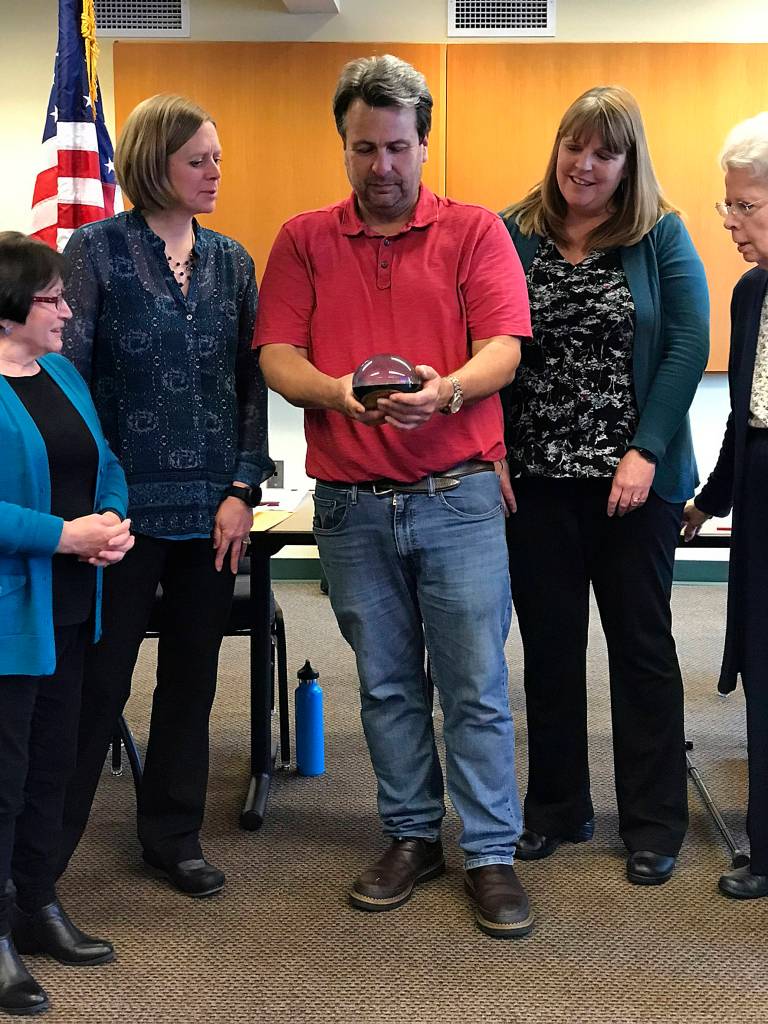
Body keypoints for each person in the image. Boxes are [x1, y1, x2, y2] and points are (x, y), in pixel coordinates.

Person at [255, 55, 533, 939]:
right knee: (385, 684)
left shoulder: (476, 231)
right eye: (364, 147)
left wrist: (446, 388)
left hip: (456, 497)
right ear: (343, 143)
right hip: (351, 505)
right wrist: (337, 394)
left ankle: (491, 851)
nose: (382, 166)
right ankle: (413, 835)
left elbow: (505, 348)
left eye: (399, 147)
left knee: (476, 684)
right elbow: (277, 357)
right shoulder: (302, 238)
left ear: (424, 142)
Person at [59, 94, 273, 898]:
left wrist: (244, 488)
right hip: (118, 514)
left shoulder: (234, 260)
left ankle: (172, 835)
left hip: (213, 512)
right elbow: (68, 383)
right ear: (156, 163)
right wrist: (103, 498)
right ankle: (42, 852)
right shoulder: (96, 251)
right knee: (98, 682)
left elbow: (252, 387)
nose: (215, 171)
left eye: (217, 156)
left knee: (193, 678)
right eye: (198, 160)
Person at [499, 86, 709, 885]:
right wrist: (491, 450)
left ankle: (654, 821)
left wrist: (646, 450)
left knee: (643, 649)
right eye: (573, 146)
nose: (584, 164)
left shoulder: (660, 232)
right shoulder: (512, 230)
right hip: (536, 481)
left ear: (629, 163)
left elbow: (689, 340)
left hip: (635, 484)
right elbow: (484, 337)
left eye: (604, 152)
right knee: (550, 649)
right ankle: (557, 807)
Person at [0, 232, 132, 1015]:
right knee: (4, 783)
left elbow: (103, 459)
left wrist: (111, 519)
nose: (66, 308)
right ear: (10, 305)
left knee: (55, 765)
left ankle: (38, 904)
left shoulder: (63, 373)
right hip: (11, 617)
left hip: (75, 607)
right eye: (52, 297)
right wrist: (63, 536)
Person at [683, 112, 768, 900]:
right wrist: (710, 500)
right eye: (728, 205)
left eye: (745, 205)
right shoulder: (748, 294)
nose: (731, 223)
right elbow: (746, 418)